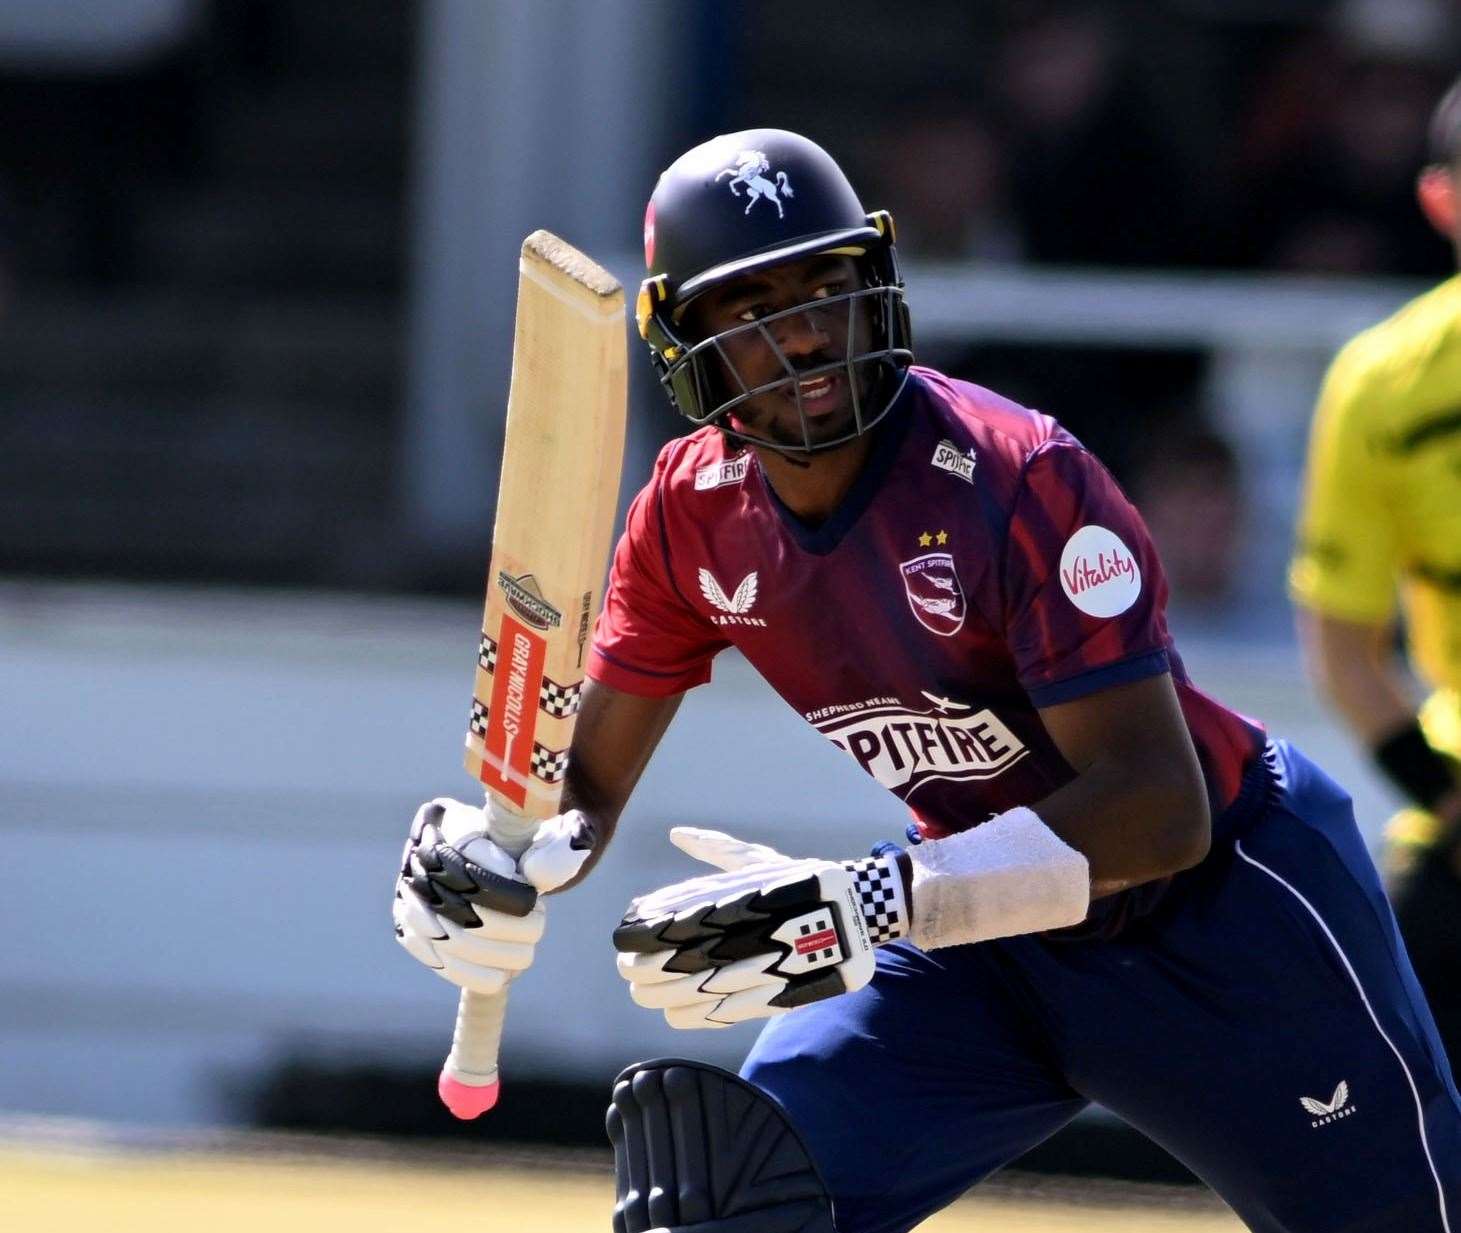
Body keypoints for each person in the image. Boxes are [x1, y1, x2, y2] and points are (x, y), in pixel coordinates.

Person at [394, 129, 1461, 1233]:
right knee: (725, 1204)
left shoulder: (1016, 477)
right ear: (688, 338)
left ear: (877, 285)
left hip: (1218, 914)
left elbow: (1157, 808)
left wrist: (866, 900)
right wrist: (493, 861)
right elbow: (584, 794)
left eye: (825, 287)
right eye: (753, 309)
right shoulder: (687, 512)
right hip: (976, 943)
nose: (803, 333)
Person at [1290, 76, 1461, 1073]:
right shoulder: (1381, 386)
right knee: (1371, 1074)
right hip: (1458, 812)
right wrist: (1443, 798)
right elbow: (1343, 647)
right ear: (1440, 202)